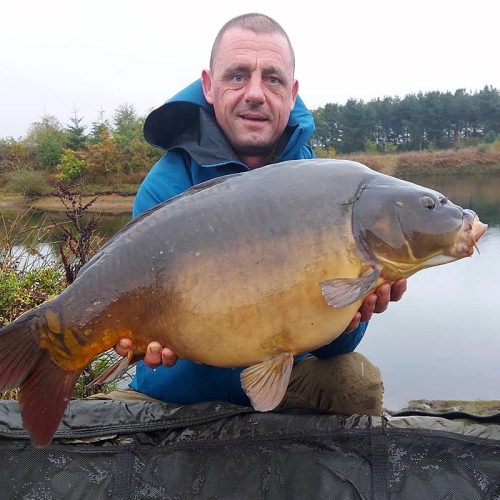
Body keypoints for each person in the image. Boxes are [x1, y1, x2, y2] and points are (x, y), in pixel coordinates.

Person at [113, 13, 406, 415]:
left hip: (285, 380)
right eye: (237, 76)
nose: (255, 93)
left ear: (292, 91)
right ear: (208, 86)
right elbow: (142, 320)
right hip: (176, 389)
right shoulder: (166, 187)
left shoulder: (324, 188)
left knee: (356, 379)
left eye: (272, 78)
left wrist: (357, 311)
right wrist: (144, 336)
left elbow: (331, 344)